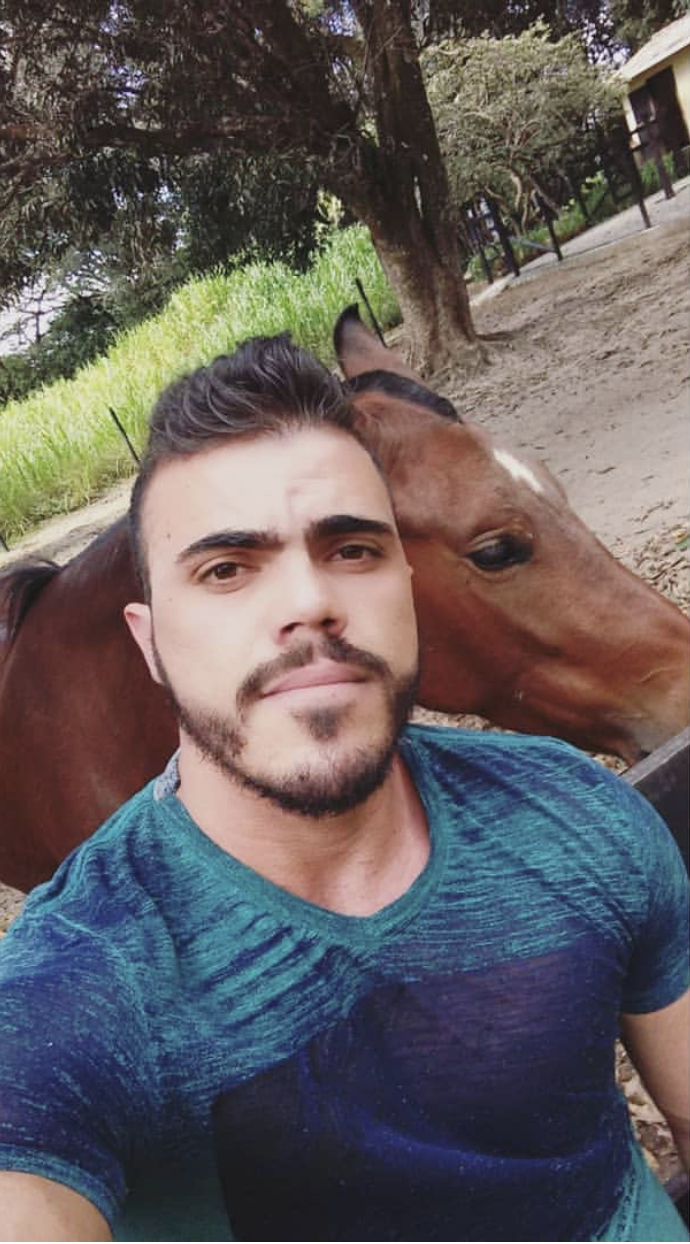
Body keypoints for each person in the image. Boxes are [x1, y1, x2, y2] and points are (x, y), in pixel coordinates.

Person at [0, 333, 687, 1243]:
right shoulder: (74, 994)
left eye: (353, 549)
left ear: (406, 584)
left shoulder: (581, 815)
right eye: (225, 568)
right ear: (148, 641)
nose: (308, 602)